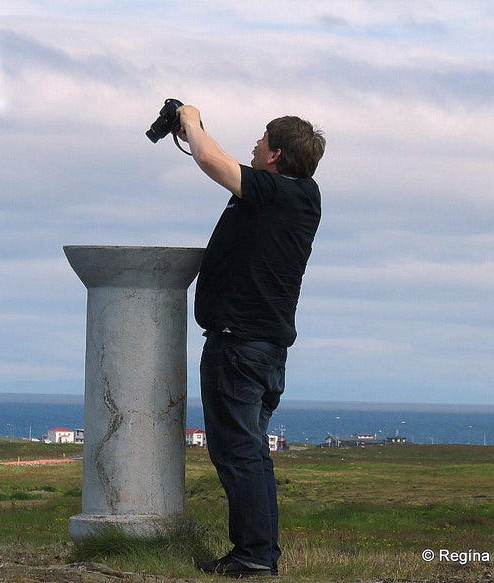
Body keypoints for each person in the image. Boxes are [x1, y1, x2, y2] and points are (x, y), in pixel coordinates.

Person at [176, 104, 325, 578]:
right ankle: (258, 553)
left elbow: (211, 161)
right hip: (261, 349)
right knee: (251, 453)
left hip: (240, 347)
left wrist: (191, 119)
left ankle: (254, 556)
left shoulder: (279, 193)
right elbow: (219, 160)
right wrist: (196, 131)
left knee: (239, 453)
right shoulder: (294, 196)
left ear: (276, 154)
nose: (254, 146)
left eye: (261, 140)